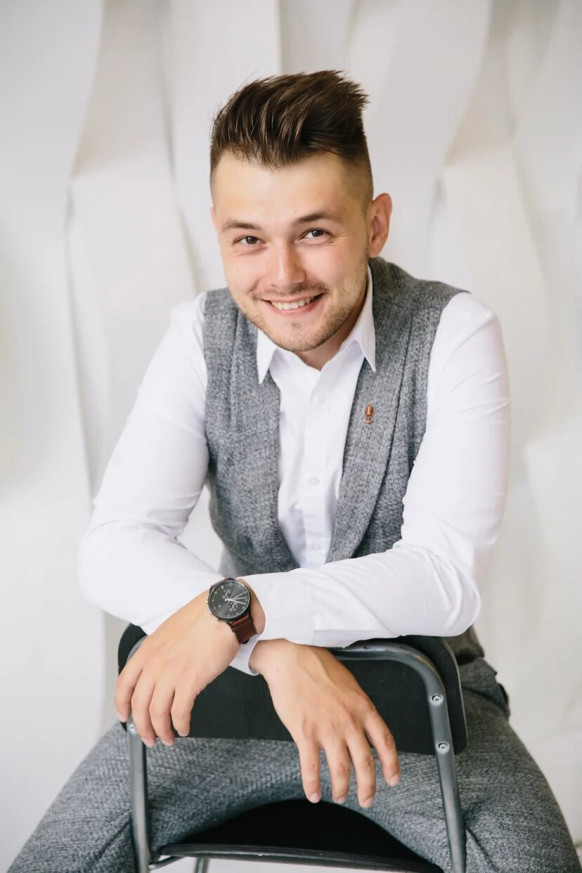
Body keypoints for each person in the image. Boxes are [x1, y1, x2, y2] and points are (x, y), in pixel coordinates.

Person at [10, 70, 579, 873]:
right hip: (225, 702)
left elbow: (444, 577)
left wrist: (245, 611)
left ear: (375, 223)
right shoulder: (197, 337)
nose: (282, 275)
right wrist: (268, 646)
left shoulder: (454, 332)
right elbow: (113, 543)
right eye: (248, 239)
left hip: (413, 707)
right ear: (218, 233)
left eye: (313, 232)